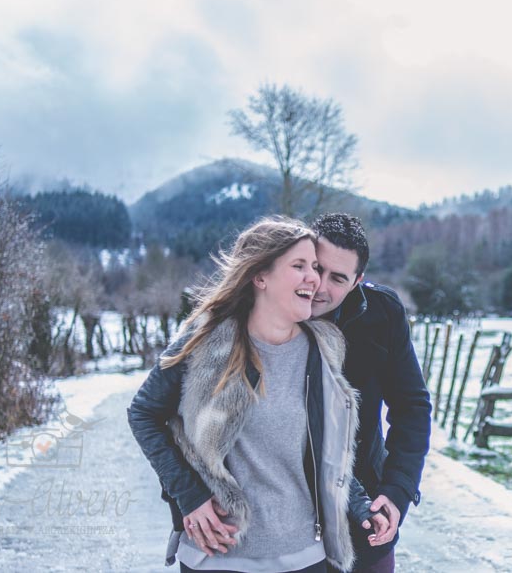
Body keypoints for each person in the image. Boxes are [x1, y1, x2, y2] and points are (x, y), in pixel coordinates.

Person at [127, 217, 393, 573]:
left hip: (303, 558)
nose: (313, 278)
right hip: (217, 555)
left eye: (314, 267)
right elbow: (143, 414)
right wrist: (189, 497)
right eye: (299, 266)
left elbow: (327, 451)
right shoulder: (207, 340)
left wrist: (362, 507)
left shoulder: (321, 349)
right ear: (260, 276)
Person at [310, 214, 432, 573]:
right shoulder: (269, 312)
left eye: (338, 278)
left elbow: (412, 406)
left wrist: (396, 491)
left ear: (357, 281)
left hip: (363, 507)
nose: (319, 287)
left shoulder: (382, 313)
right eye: (317, 268)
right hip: (287, 517)